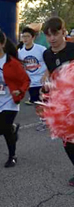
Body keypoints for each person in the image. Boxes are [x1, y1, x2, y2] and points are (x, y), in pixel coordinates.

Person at [0, 31, 30, 167]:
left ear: (3, 44)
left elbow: (25, 80)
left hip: (10, 101)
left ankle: (12, 156)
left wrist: (20, 91)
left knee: (4, 127)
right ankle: (13, 128)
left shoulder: (12, 62)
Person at [43, 17, 74, 186]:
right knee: (68, 143)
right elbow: (50, 74)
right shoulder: (47, 54)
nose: (52, 38)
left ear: (63, 31)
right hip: (64, 106)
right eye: (48, 35)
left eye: (55, 34)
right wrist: (46, 86)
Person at [18, 27, 47, 105]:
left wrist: (45, 75)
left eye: (27, 36)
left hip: (42, 82)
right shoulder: (20, 52)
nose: (25, 39)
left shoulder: (41, 49)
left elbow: (49, 63)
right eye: (23, 36)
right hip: (30, 83)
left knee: (45, 105)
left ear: (33, 37)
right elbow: (20, 67)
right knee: (36, 105)